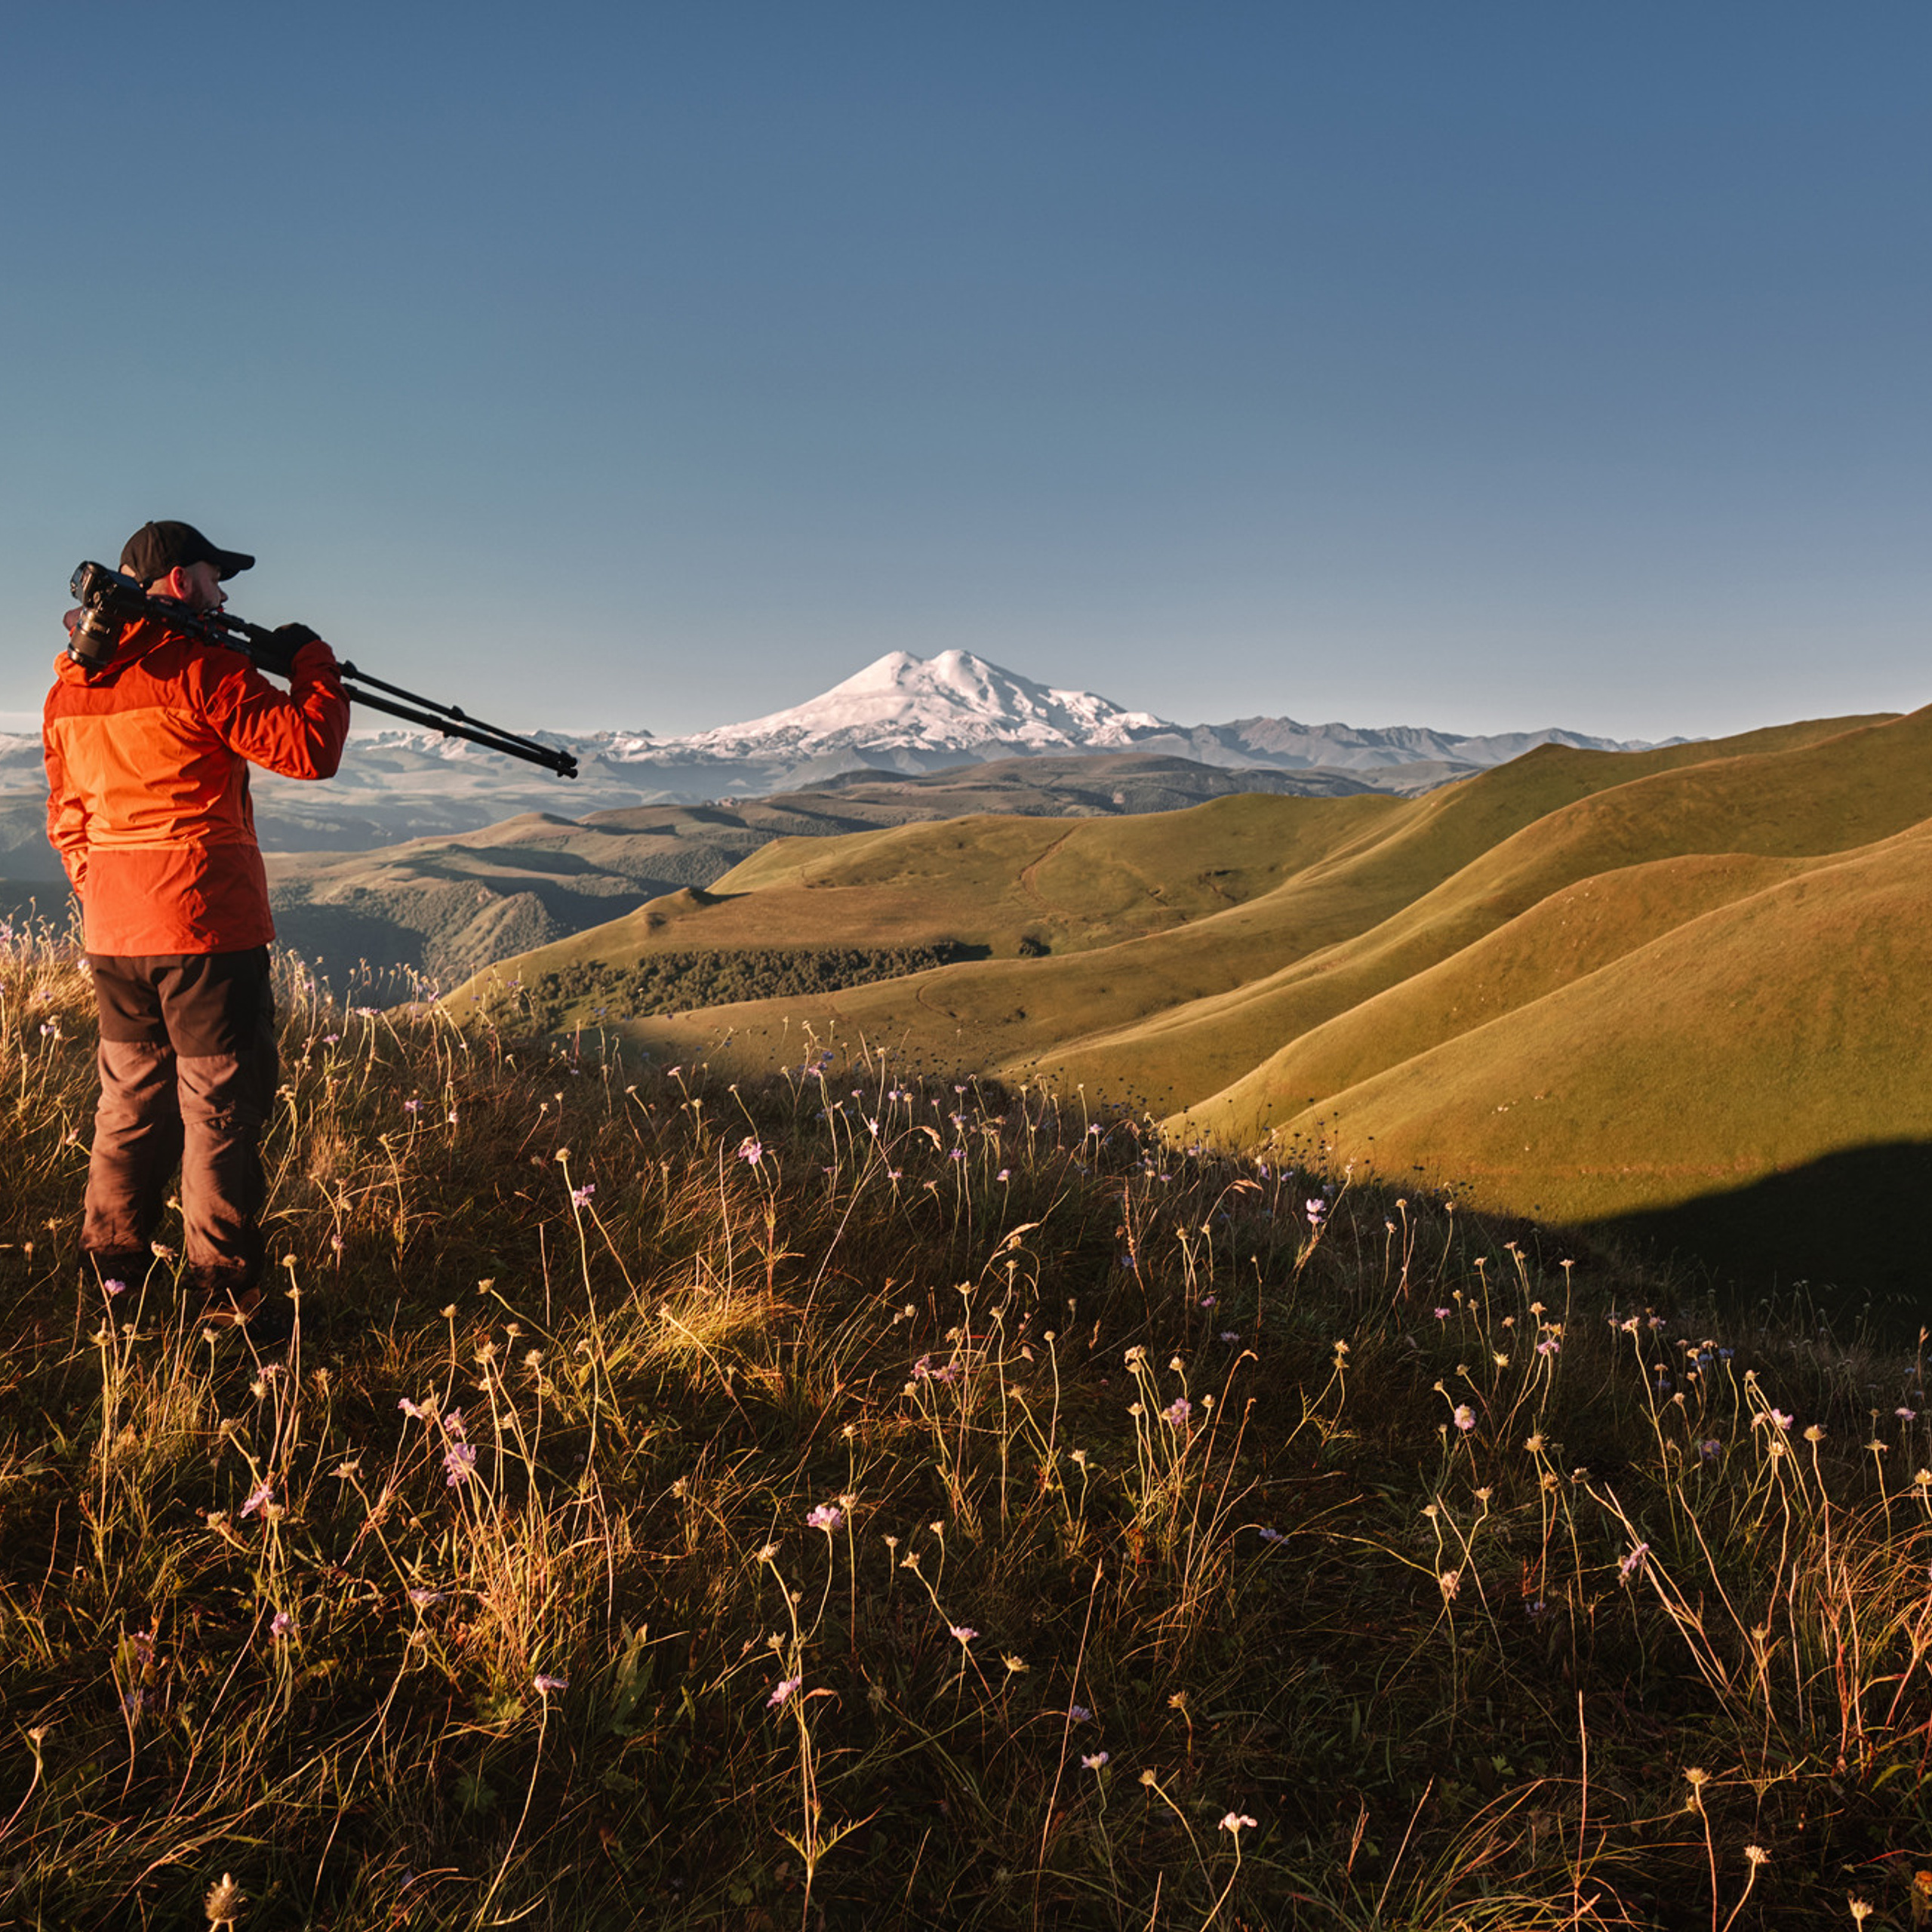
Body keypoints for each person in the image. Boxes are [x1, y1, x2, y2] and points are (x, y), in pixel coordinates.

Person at [43, 521, 351, 1339]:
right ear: (180, 582)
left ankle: (114, 1285)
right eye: (217, 580)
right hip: (207, 931)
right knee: (220, 1109)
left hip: (116, 932)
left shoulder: (70, 688)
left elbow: (67, 819)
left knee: (130, 1103)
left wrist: (110, 891)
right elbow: (310, 747)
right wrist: (312, 659)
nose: (226, 596)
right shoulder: (202, 668)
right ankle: (227, 1301)